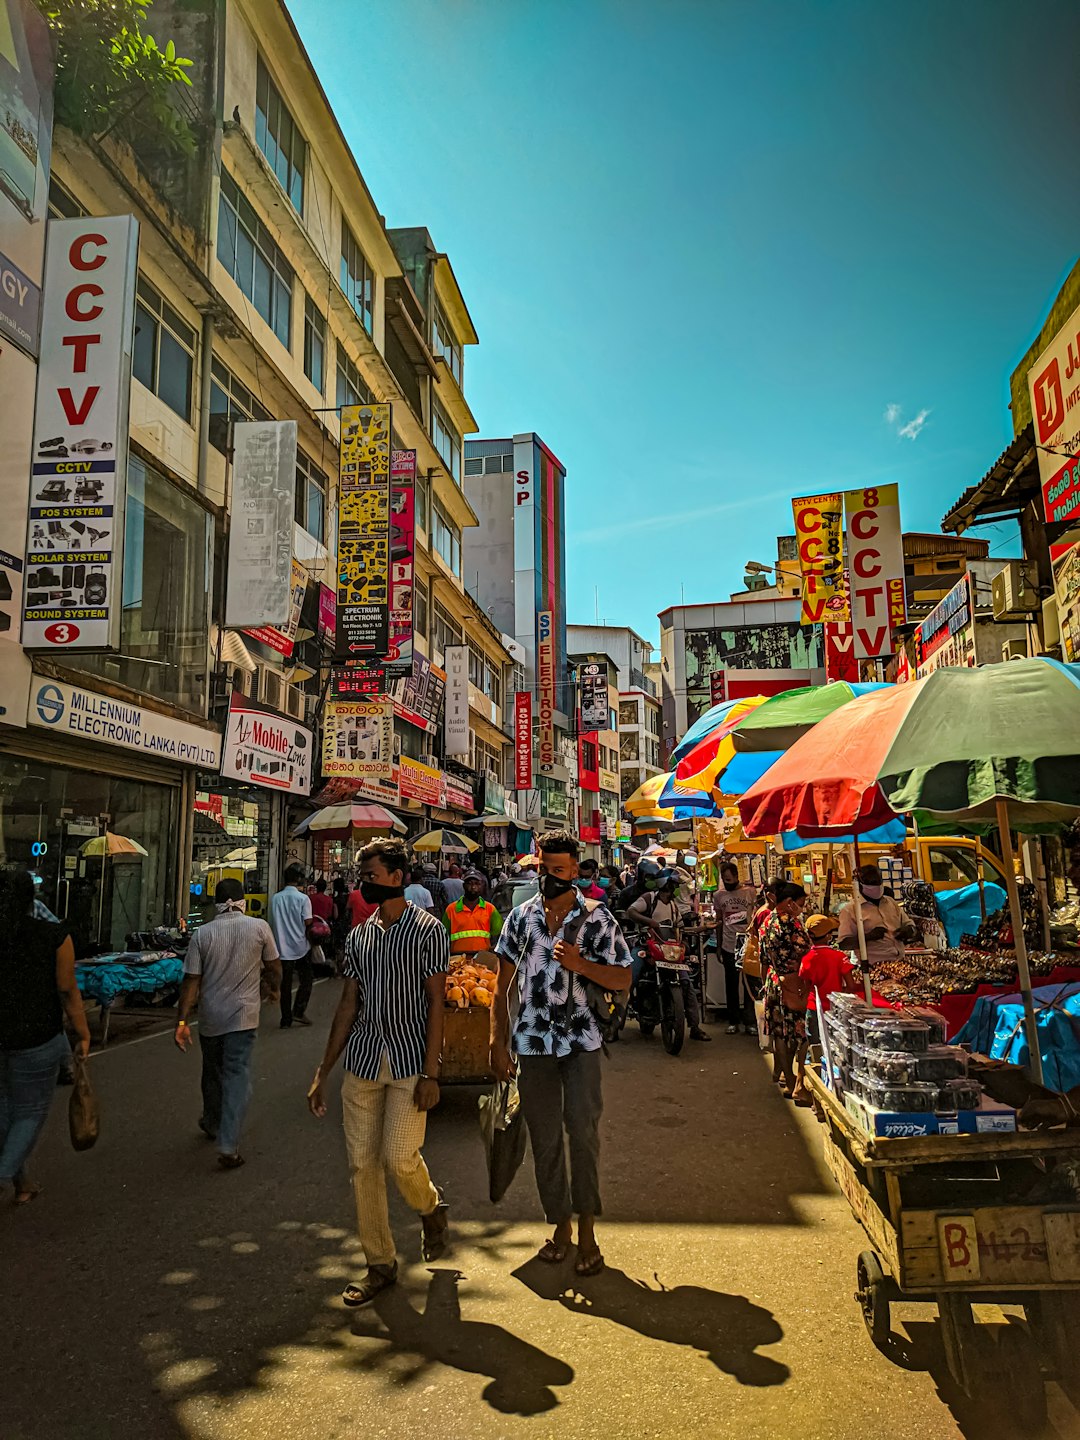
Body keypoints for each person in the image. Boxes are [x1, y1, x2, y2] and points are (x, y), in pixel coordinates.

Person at [308, 838, 450, 1307]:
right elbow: (348, 1004)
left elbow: (435, 1003)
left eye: (369, 876)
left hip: (411, 1062)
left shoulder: (428, 930)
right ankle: (380, 1262)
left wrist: (432, 1073)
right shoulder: (359, 936)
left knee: (397, 1157)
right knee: (361, 1166)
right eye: (360, 876)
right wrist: (323, 1069)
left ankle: (429, 1207)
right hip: (365, 1060)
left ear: (396, 877)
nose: (362, 884)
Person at [491, 830, 632, 1277]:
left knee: (583, 1136)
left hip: (581, 1043)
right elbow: (501, 984)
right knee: (545, 1139)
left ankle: (588, 1229)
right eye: (543, 869)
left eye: (558, 871)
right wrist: (497, 1040)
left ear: (575, 871)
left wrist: (580, 964)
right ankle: (561, 1227)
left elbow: (623, 980)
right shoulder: (519, 918)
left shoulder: (597, 919)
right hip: (533, 1045)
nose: (549, 878)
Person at [175, 879, 281, 1170]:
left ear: (217, 902)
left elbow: (191, 981)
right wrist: (274, 988)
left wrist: (182, 1020)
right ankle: (228, 1142)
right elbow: (274, 965)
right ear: (242, 900)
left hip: (211, 1017)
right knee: (236, 1076)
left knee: (212, 1072)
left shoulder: (203, 934)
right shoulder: (259, 928)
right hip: (243, 1017)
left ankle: (212, 1121)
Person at [0, 866, 91, 1204]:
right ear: (32, 898)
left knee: (6, 1110)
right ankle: (5, 1175)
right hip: (38, 1038)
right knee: (29, 1112)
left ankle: (22, 1183)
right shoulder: (54, 936)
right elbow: (68, 991)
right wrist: (82, 1034)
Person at [626, 870, 710, 1041]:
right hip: (646, 947)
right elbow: (631, 911)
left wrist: (697, 932)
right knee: (629, 978)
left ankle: (695, 1027)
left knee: (686, 983)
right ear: (665, 884)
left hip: (669, 951)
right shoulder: (649, 898)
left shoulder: (673, 907)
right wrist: (649, 922)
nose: (675, 889)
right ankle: (615, 1020)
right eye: (673, 885)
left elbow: (679, 927)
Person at [760, 881, 811, 1102]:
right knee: (798, 1033)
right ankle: (795, 1083)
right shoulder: (791, 924)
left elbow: (763, 957)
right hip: (793, 983)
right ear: (790, 903)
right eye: (801, 903)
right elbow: (805, 952)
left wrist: (764, 983)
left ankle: (786, 1077)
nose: (802, 907)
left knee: (780, 1032)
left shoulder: (767, 919)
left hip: (773, 980)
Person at [713, 862, 759, 1035]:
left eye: (729, 879)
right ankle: (733, 1020)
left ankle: (750, 1021)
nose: (727, 883)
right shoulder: (718, 896)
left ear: (736, 876)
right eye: (725, 880)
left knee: (750, 984)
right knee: (731, 984)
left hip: (747, 944)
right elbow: (719, 921)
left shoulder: (750, 892)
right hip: (728, 944)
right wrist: (718, 946)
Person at [837, 864, 913, 968]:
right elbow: (843, 944)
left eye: (878, 882)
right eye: (872, 883)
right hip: (871, 967)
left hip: (899, 964)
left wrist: (908, 930)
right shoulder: (850, 910)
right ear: (859, 885)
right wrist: (869, 937)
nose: (876, 886)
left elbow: (909, 925)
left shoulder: (891, 902)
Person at [270, 864, 316, 1028]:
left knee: (286, 984)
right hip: (301, 946)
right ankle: (298, 1010)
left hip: (281, 947)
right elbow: (308, 921)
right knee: (307, 979)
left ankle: (286, 1019)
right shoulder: (303, 899)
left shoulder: (275, 898)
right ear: (298, 879)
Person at [443, 870, 503, 957]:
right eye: (469, 883)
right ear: (464, 886)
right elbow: (444, 935)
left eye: (477, 884)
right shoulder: (451, 909)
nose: (473, 887)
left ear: (482, 886)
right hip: (457, 959)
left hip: (482, 958)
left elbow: (498, 933)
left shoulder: (490, 909)